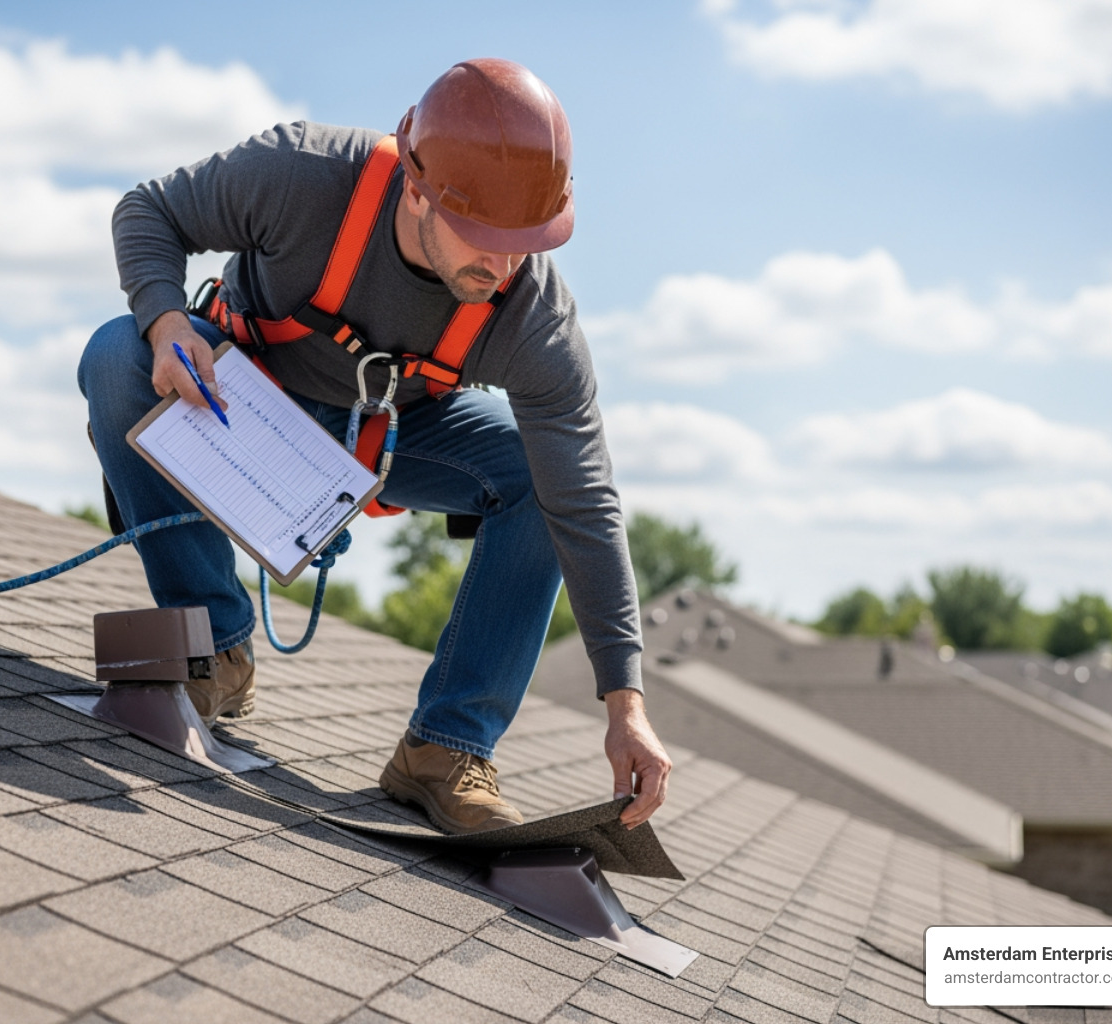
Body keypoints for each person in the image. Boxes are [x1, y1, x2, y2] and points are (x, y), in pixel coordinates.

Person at [79, 58, 671, 834]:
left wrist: (625, 703)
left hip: (380, 438)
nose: (503, 267)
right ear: (416, 187)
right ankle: (213, 650)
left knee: (540, 476)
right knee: (118, 357)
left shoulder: (532, 317)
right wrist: (165, 324)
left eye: (525, 242)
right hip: (240, 400)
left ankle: (447, 746)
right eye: (484, 238)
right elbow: (148, 211)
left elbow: (586, 500)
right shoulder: (303, 176)